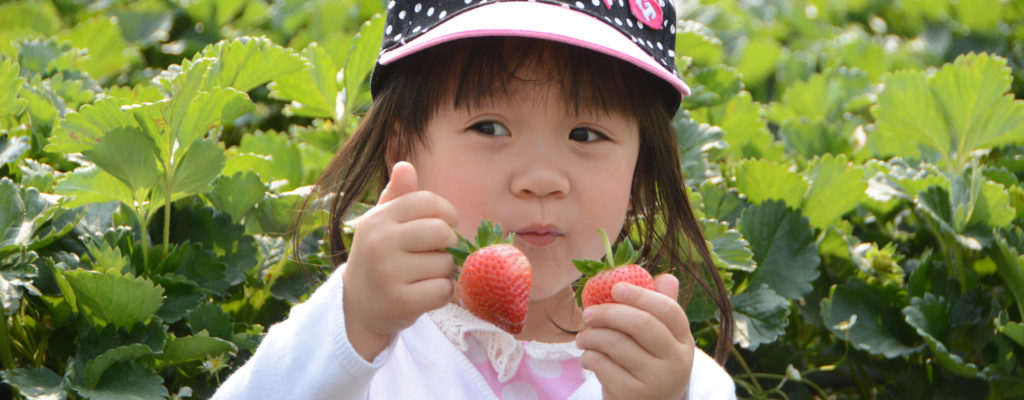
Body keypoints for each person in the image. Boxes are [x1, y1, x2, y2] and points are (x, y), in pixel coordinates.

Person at [213, 0, 735, 398]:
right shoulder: (369, 335)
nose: (542, 179)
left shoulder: (678, 377)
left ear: (639, 167)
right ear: (403, 149)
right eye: (490, 127)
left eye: (586, 134)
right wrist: (356, 321)